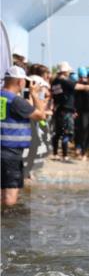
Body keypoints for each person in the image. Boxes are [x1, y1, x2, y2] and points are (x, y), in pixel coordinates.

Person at [1, 66, 48, 206]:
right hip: (10, 154)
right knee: (9, 200)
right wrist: (35, 95)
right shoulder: (16, 101)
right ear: (20, 82)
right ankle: (7, 225)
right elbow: (41, 116)